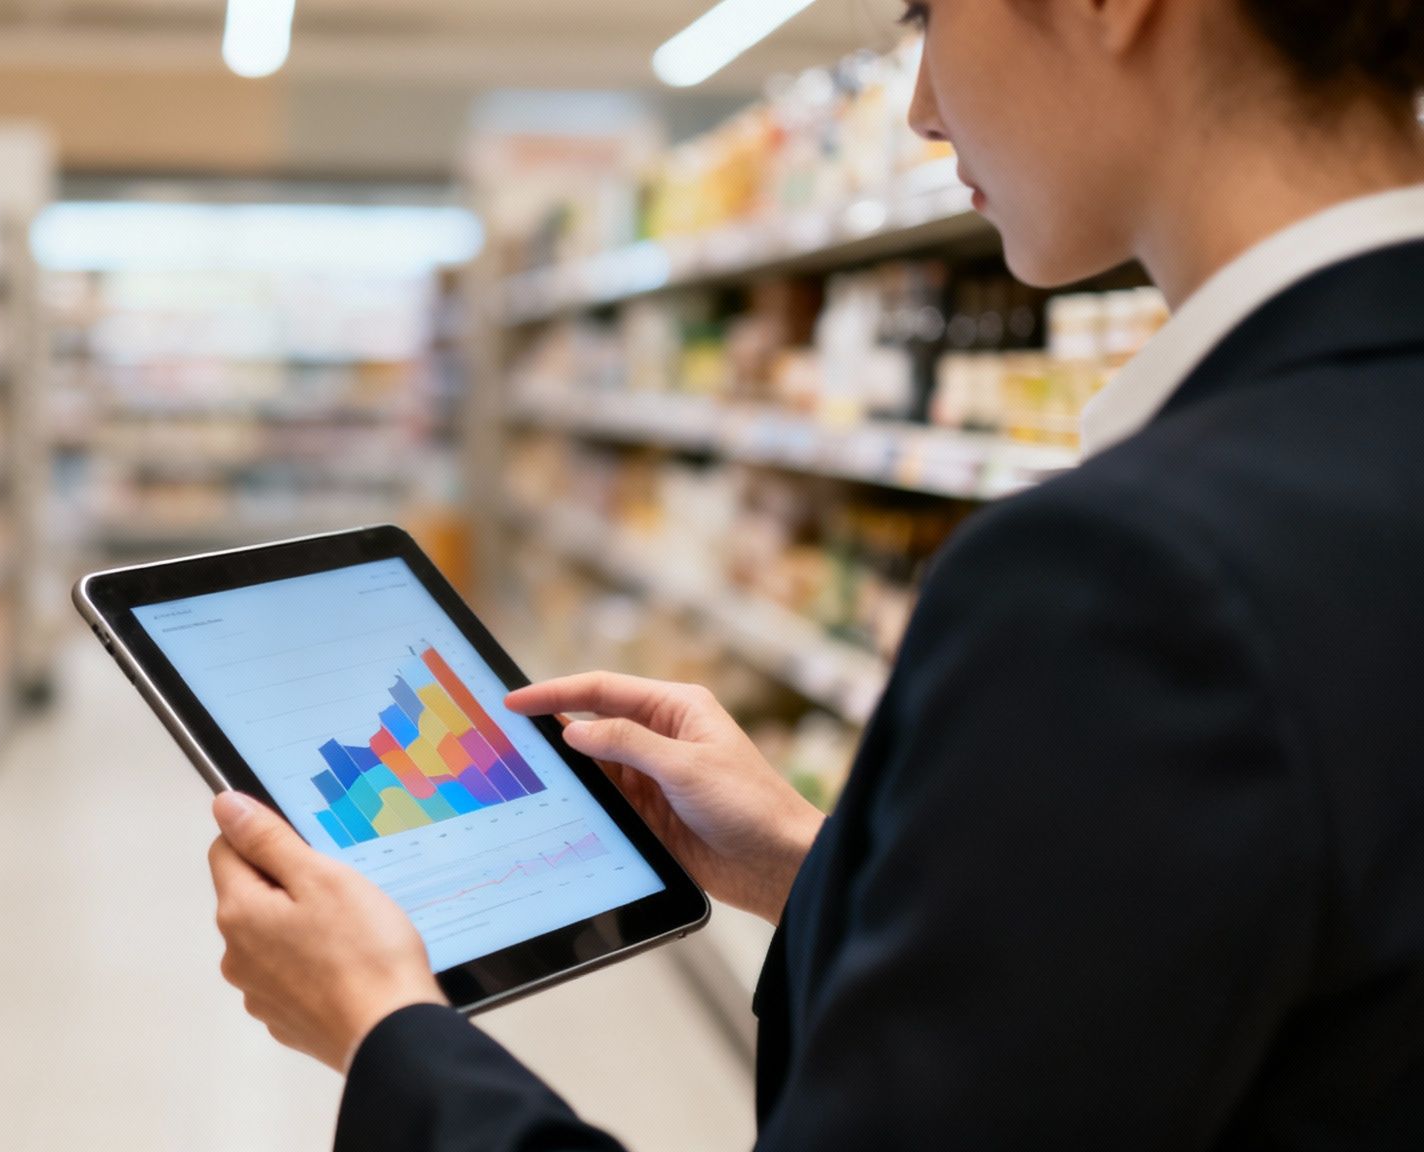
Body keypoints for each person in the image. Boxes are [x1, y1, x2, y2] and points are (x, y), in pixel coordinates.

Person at [205, 0, 1424, 1147]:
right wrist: (811, 861)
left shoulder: (1128, 572)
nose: (919, 110)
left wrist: (386, 1033)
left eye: (926, 16)